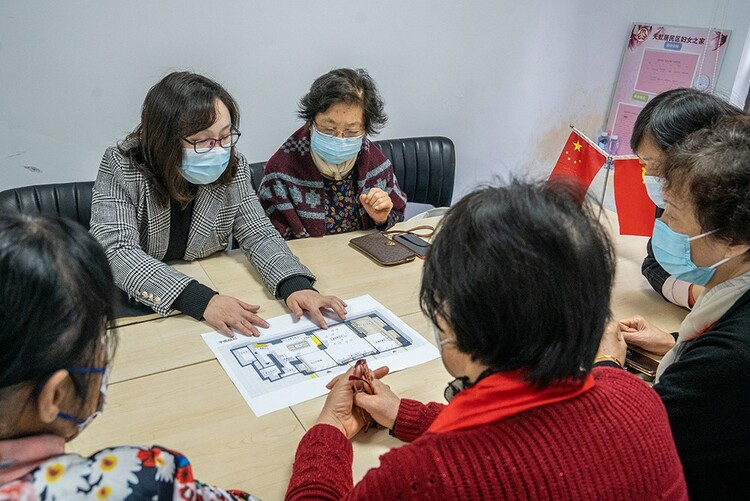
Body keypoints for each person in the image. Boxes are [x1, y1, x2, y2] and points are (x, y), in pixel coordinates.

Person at [285, 182, 687, 500]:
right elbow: (535, 438)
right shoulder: (637, 398)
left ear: (450, 320)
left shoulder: (423, 479)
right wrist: (403, 413)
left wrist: (330, 428)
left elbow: (499, 456)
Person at [0, 212, 260, 500]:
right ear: (55, 396)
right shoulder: (140, 483)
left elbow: (256, 227)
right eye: (98, 339)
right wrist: (321, 432)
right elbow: (117, 249)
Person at [90, 72, 346, 337]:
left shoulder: (233, 166)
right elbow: (115, 250)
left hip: (211, 296)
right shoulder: (120, 167)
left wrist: (296, 285)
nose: (219, 150)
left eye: (225, 136)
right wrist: (202, 300)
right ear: (163, 140)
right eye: (202, 141)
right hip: (146, 307)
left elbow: (258, 233)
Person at [597, 116, 750, 499]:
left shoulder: (731, 358)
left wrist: (607, 365)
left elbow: (629, 438)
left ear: (734, 239)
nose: (663, 224)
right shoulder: (732, 297)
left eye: (675, 214)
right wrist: (675, 342)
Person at [258, 68, 407, 239]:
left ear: (365, 129)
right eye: (329, 129)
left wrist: (382, 219)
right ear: (311, 121)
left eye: (351, 131)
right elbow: (266, 239)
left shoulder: (376, 163)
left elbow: (399, 216)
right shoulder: (281, 172)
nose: (339, 139)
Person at [631, 87, 744, 309]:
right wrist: (698, 295)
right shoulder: (674, 196)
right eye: (645, 165)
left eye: (661, 169)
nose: (653, 179)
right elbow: (653, 264)